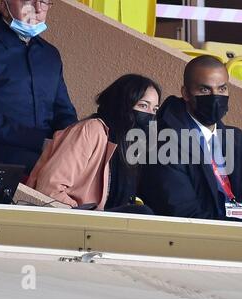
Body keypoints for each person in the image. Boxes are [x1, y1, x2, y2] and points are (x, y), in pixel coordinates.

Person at [139, 55, 242, 224]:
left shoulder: (233, 141)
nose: (215, 97)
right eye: (205, 90)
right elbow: (184, 215)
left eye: (222, 89)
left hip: (235, 236)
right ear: (185, 93)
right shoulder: (165, 143)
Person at [0, 0, 77, 173]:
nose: (37, 8)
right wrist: (40, 141)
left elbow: (64, 112)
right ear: (3, 4)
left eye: (44, 1)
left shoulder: (50, 55)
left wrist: (72, 140)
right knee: (52, 169)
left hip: (47, 150)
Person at [27, 74, 161, 212]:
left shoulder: (129, 145)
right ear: (122, 104)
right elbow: (49, 189)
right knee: (142, 212)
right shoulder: (90, 130)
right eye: (143, 105)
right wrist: (87, 216)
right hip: (72, 218)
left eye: (155, 109)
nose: (150, 115)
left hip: (99, 221)